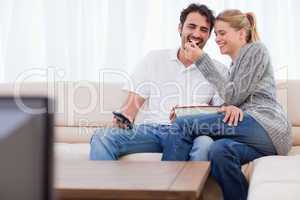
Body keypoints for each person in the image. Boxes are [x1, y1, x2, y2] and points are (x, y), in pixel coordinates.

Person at [161, 9, 292, 200]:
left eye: (222, 33)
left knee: (183, 124)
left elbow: (232, 95)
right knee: (220, 151)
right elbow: (233, 98)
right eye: (216, 34)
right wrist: (231, 106)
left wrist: (200, 60)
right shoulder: (234, 66)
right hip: (260, 135)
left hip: (267, 124)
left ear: (241, 33)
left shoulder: (256, 50)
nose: (216, 39)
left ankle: (165, 193)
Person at [89, 4, 240, 161]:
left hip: (193, 132)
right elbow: (131, 107)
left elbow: (220, 111)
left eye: (203, 30)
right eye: (191, 26)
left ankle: (184, 186)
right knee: (103, 136)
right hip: (153, 130)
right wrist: (124, 118)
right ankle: (107, 186)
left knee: (205, 144)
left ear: (209, 36)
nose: (196, 33)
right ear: (180, 28)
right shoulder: (154, 59)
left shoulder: (218, 70)